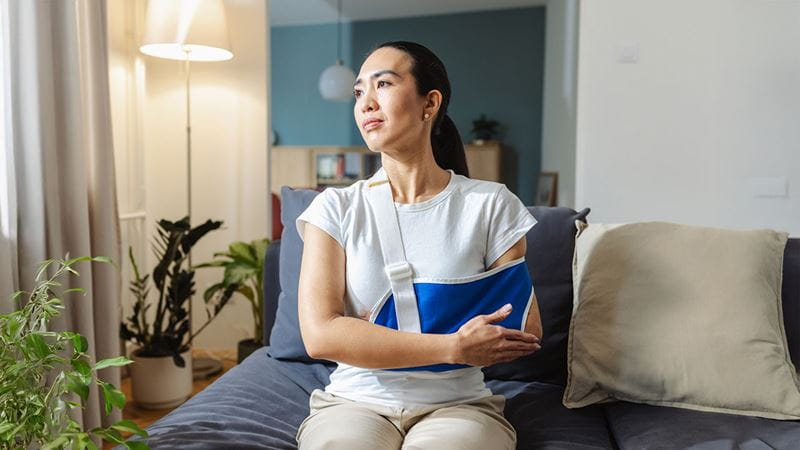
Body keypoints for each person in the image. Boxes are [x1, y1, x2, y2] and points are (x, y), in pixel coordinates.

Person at [294, 41, 543, 450]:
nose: (366, 103)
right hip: (354, 402)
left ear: (430, 103)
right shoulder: (335, 208)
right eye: (358, 92)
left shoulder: (490, 204)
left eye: (383, 84)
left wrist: (369, 332)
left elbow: (523, 330)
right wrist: (454, 345)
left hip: (459, 405)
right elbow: (321, 336)